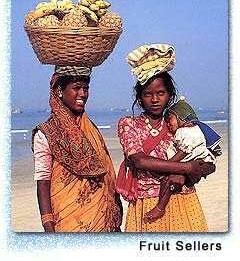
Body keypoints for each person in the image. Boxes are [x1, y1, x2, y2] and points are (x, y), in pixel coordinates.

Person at [116, 43, 215, 232]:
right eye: (148, 94)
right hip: (147, 203)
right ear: (139, 97)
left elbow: (207, 160)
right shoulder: (129, 124)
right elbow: (140, 161)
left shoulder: (180, 124)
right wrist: (186, 168)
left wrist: (187, 175)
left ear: (169, 95)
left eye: (160, 93)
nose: (154, 100)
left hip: (184, 198)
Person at [32, 66, 122, 232]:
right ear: (60, 90)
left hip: (101, 218)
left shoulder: (91, 129)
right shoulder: (46, 133)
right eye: (76, 88)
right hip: (67, 219)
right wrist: (48, 224)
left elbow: (106, 172)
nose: (82, 94)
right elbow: (43, 181)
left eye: (85, 89)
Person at [143, 98, 219, 224]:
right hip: (195, 162)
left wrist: (169, 165)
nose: (168, 124)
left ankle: (160, 207)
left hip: (191, 161)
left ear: (181, 118)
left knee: (168, 180)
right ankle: (161, 206)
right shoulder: (194, 130)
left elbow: (183, 152)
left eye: (170, 119)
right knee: (168, 180)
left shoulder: (184, 132)